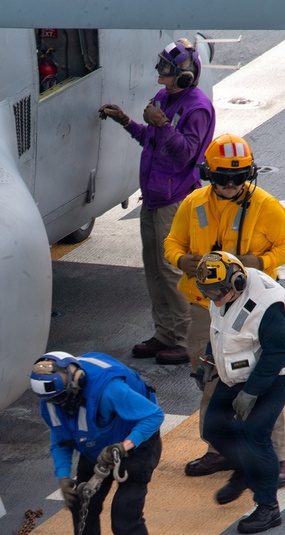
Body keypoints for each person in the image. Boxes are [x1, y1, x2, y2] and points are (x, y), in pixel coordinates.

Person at [164, 134, 285, 482]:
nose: (230, 184)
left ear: (249, 175)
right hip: (205, 307)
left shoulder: (265, 206)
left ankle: (277, 459)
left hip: (252, 310)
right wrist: (182, 260)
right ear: (209, 174)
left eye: (238, 177)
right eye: (223, 177)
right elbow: (172, 242)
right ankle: (220, 451)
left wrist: (259, 261)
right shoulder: (193, 203)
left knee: (262, 384)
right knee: (213, 378)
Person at [99, 38, 215, 366]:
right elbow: (150, 140)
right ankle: (164, 333)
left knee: (171, 270)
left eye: (166, 67)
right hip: (153, 195)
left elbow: (186, 153)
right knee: (153, 268)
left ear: (184, 74)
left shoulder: (197, 107)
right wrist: (126, 121)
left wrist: (161, 123)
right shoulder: (164, 97)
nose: (159, 71)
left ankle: (184, 339)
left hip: (173, 199)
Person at [29, 351, 164, 535]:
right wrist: (64, 478)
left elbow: (154, 416)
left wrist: (123, 446)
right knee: (82, 507)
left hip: (136, 445)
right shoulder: (53, 399)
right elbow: (60, 440)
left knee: (125, 518)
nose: (60, 404)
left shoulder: (109, 390)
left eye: (63, 397)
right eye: (55, 400)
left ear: (76, 379)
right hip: (97, 447)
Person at [194, 252, 285, 532]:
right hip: (238, 366)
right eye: (207, 292)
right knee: (214, 427)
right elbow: (219, 328)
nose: (212, 298)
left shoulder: (268, 304)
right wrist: (209, 361)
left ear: (237, 282)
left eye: (216, 293)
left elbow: (276, 355)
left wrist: (251, 392)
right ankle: (244, 468)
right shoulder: (220, 291)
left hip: (274, 371)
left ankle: (268, 508)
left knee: (254, 434)